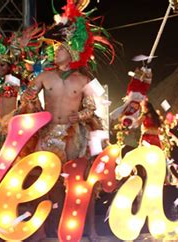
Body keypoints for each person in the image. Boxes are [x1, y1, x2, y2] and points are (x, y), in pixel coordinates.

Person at [19, 2, 114, 240]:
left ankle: (88, 229)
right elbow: (28, 96)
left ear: (71, 53)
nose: (55, 52)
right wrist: (32, 104)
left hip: (75, 136)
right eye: (55, 49)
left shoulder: (84, 80)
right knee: (42, 182)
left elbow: (93, 107)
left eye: (60, 48)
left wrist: (79, 116)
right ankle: (41, 231)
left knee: (80, 184)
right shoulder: (44, 75)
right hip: (47, 134)